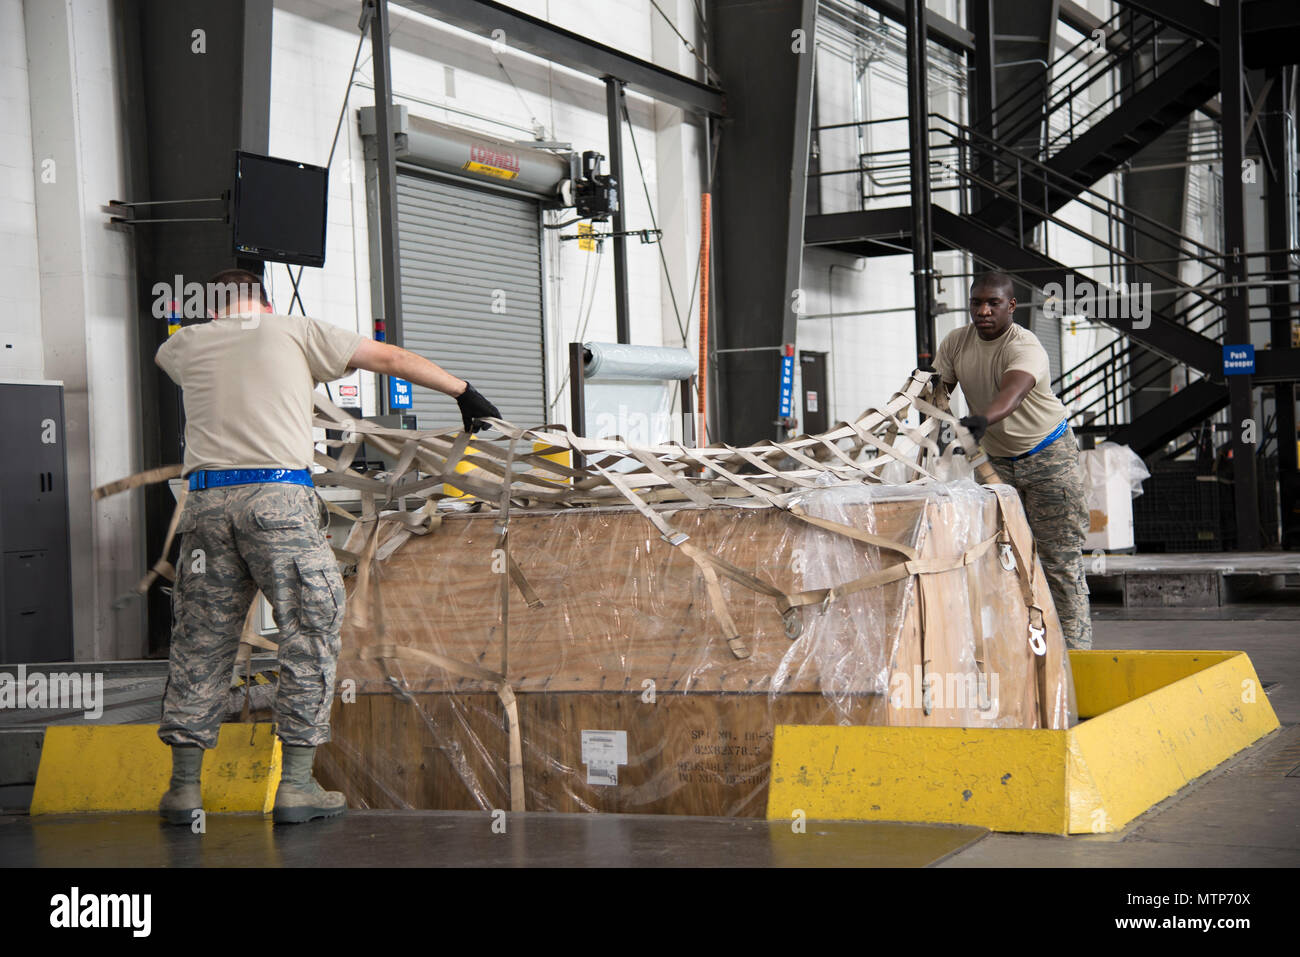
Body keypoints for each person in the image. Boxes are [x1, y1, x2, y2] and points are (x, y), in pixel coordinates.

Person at [153, 267, 500, 825]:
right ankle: (296, 788)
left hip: (205, 506)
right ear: (266, 302)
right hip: (279, 500)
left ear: (214, 306)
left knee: (200, 642)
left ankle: (183, 791)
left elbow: (203, 357)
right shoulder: (296, 329)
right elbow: (390, 359)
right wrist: (464, 392)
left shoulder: (185, 345)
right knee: (309, 633)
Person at [934, 270, 1092, 650]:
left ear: (1011, 306)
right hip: (996, 465)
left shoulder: (1025, 346)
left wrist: (981, 419)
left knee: (1059, 561)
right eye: (977, 303)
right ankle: (1019, 655)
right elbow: (938, 388)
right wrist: (927, 389)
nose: (984, 311)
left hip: (1048, 458)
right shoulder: (956, 342)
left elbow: (1013, 394)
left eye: (993, 303)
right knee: (1001, 560)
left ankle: (1076, 656)